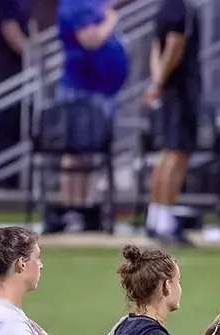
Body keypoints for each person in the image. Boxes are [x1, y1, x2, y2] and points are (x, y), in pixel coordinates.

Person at [56, 0, 129, 232]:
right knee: (75, 153)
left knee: (90, 156)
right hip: (81, 91)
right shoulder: (74, 5)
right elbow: (90, 40)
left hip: (102, 92)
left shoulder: (92, 4)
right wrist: (110, 20)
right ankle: (71, 209)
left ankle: (86, 209)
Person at [142, 0, 203, 245]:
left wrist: (157, 80)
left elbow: (156, 46)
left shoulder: (165, 7)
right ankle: (166, 221)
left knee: (167, 153)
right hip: (182, 89)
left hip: (169, 89)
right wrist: (158, 83)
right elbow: (174, 46)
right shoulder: (181, 8)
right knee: (177, 154)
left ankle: (155, 218)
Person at [0, 0, 33, 180]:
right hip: (8, 67)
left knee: (21, 121)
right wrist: (31, 54)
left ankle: (17, 175)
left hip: (23, 67)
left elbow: (30, 26)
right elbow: (10, 30)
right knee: (6, 118)